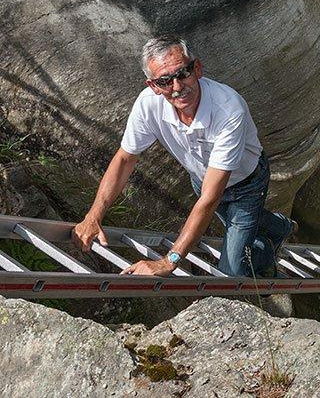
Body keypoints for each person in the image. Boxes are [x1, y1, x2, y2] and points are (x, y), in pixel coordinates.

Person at [72, 34, 295, 277]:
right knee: (243, 226)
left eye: (182, 74)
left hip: (247, 184)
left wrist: (169, 261)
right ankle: (280, 227)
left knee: (231, 271)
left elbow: (209, 199)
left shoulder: (229, 109)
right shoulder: (148, 105)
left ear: (197, 68)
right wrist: (93, 215)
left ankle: (269, 272)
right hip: (202, 180)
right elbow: (125, 159)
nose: (177, 87)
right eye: (165, 81)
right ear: (153, 86)